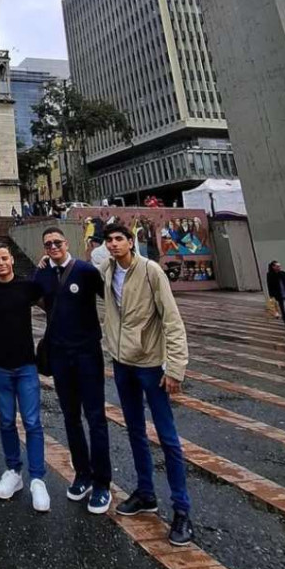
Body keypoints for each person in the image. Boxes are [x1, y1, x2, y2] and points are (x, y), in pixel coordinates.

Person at [101, 223, 193, 546]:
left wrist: (176, 368)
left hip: (152, 365)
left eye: (118, 239)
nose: (113, 245)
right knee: (135, 430)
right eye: (108, 240)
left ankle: (182, 509)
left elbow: (172, 319)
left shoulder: (152, 271)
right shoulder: (107, 271)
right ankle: (145, 492)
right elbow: (74, 271)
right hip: (123, 363)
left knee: (167, 437)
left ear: (130, 242)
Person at [32, 227, 111, 514]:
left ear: (67, 244)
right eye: (48, 244)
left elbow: (113, 300)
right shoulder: (41, 274)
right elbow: (28, 296)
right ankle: (83, 474)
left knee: (96, 418)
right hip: (60, 354)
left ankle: (102, 483)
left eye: (57, 243)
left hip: (88, 352)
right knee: (70, 418)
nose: (53, 247)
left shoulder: (86, 271)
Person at [0, 244, 49, 512]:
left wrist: (46, 268)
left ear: (12, 260)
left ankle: (37, 478)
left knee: (32, 422)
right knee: (7, 421)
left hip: (26, 364)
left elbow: (53, 303)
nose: (1, 263)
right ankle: (13, 471)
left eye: (4, 258)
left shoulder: (26, 287)